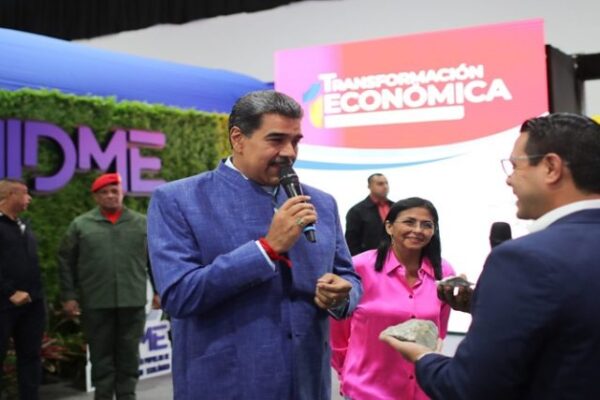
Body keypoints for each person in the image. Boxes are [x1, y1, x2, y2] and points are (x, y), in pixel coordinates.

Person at [147, 90, 362, 400]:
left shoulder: (322, 203)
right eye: (276, 140)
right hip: (225, 386)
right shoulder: (178, 200)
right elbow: (179, 296)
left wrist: (341, 296)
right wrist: (266, 249)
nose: (289, 152)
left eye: (295, 141)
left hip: (308, 385)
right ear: (238, 139)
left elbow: (348, 276)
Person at [381, 113, 600, 399]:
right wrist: (490, 305)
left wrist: (423, 357)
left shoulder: (522, 259)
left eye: (515, 166)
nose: (509, 179)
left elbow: (468, 388)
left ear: (550, 167)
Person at [331, 197, 455, 400]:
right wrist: (346, 372)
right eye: (409, 222)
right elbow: (337, 330)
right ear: (389, 227)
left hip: (422, 392)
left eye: (427, 225)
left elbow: (438, 332)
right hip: (368, 391)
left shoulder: (443, 271)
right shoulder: (359, 267)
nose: (418, 230)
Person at [58, 173, 150, 400]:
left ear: (122, 193)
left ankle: (127, 396)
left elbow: (155, 260)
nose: (110, 196)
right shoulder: (81, 225)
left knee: (129, 355)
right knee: (100, 356)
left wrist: (160, 291)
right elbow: (65, 261)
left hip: (132, 300)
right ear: (96, 197)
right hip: (96, 301)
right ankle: (103, 396)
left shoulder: (141, 223)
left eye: (114, 191)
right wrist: (69, 296)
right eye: (104, 192)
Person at [0, 179, 45, 400]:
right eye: (25, 193)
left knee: (30, 357)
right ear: (10, 195)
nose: (29, 198)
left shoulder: (22, 224)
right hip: (4, 305)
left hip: (32, 304)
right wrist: (9, 292)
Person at [345, 173, 393, 255]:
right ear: (369, 186)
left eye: (386, 183)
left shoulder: (395, 207)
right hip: (370, 258)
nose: (385, 186)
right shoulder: (357, 211)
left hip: (397, 256)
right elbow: (351, 242)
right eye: (380, 184)